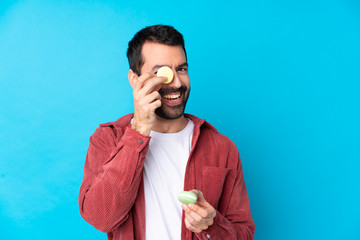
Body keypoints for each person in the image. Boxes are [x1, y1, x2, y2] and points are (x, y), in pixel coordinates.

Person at [78, 24, 255, 240]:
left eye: (181, 69)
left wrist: (211, 225)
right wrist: (140, 130)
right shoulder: (108, 139)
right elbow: (101, 218)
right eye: (162, 73)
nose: (177, 83)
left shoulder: (222, 148)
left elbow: (245, 235)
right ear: (135, 80)